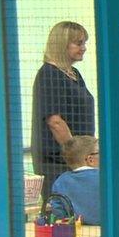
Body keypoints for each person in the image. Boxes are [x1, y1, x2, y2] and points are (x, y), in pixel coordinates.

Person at [31, 21, 95, 197]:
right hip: (60, 162)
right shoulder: (49, 73)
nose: (84, 48)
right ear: (62, 44)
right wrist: (76, 155)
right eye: (78, 43)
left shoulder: (74, 74)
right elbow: (55, 122)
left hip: (79, 160)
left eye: (84, 43)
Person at [50, 135, 100, 224]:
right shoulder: (105, 178)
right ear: (90, 160)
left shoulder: (61, 181)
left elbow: (58, 210)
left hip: (75, 230)